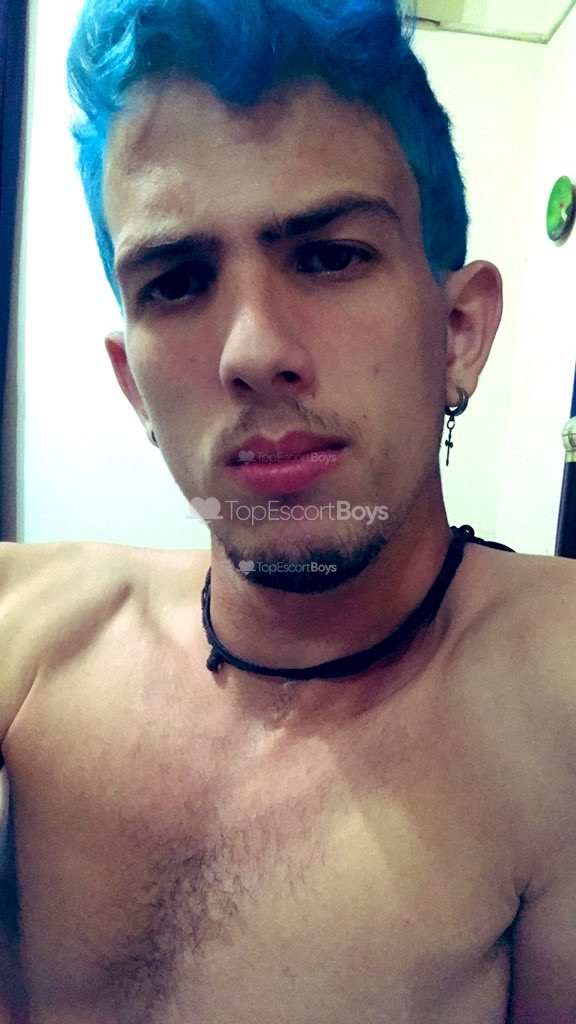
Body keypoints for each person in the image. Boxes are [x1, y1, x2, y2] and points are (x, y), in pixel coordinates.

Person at [1, 0, 575, 1020]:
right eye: (177, 281)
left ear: (458, 331)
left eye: (329, 256)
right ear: (134, 387)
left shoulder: (556, 706)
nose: (253, 350)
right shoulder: (28, 638)